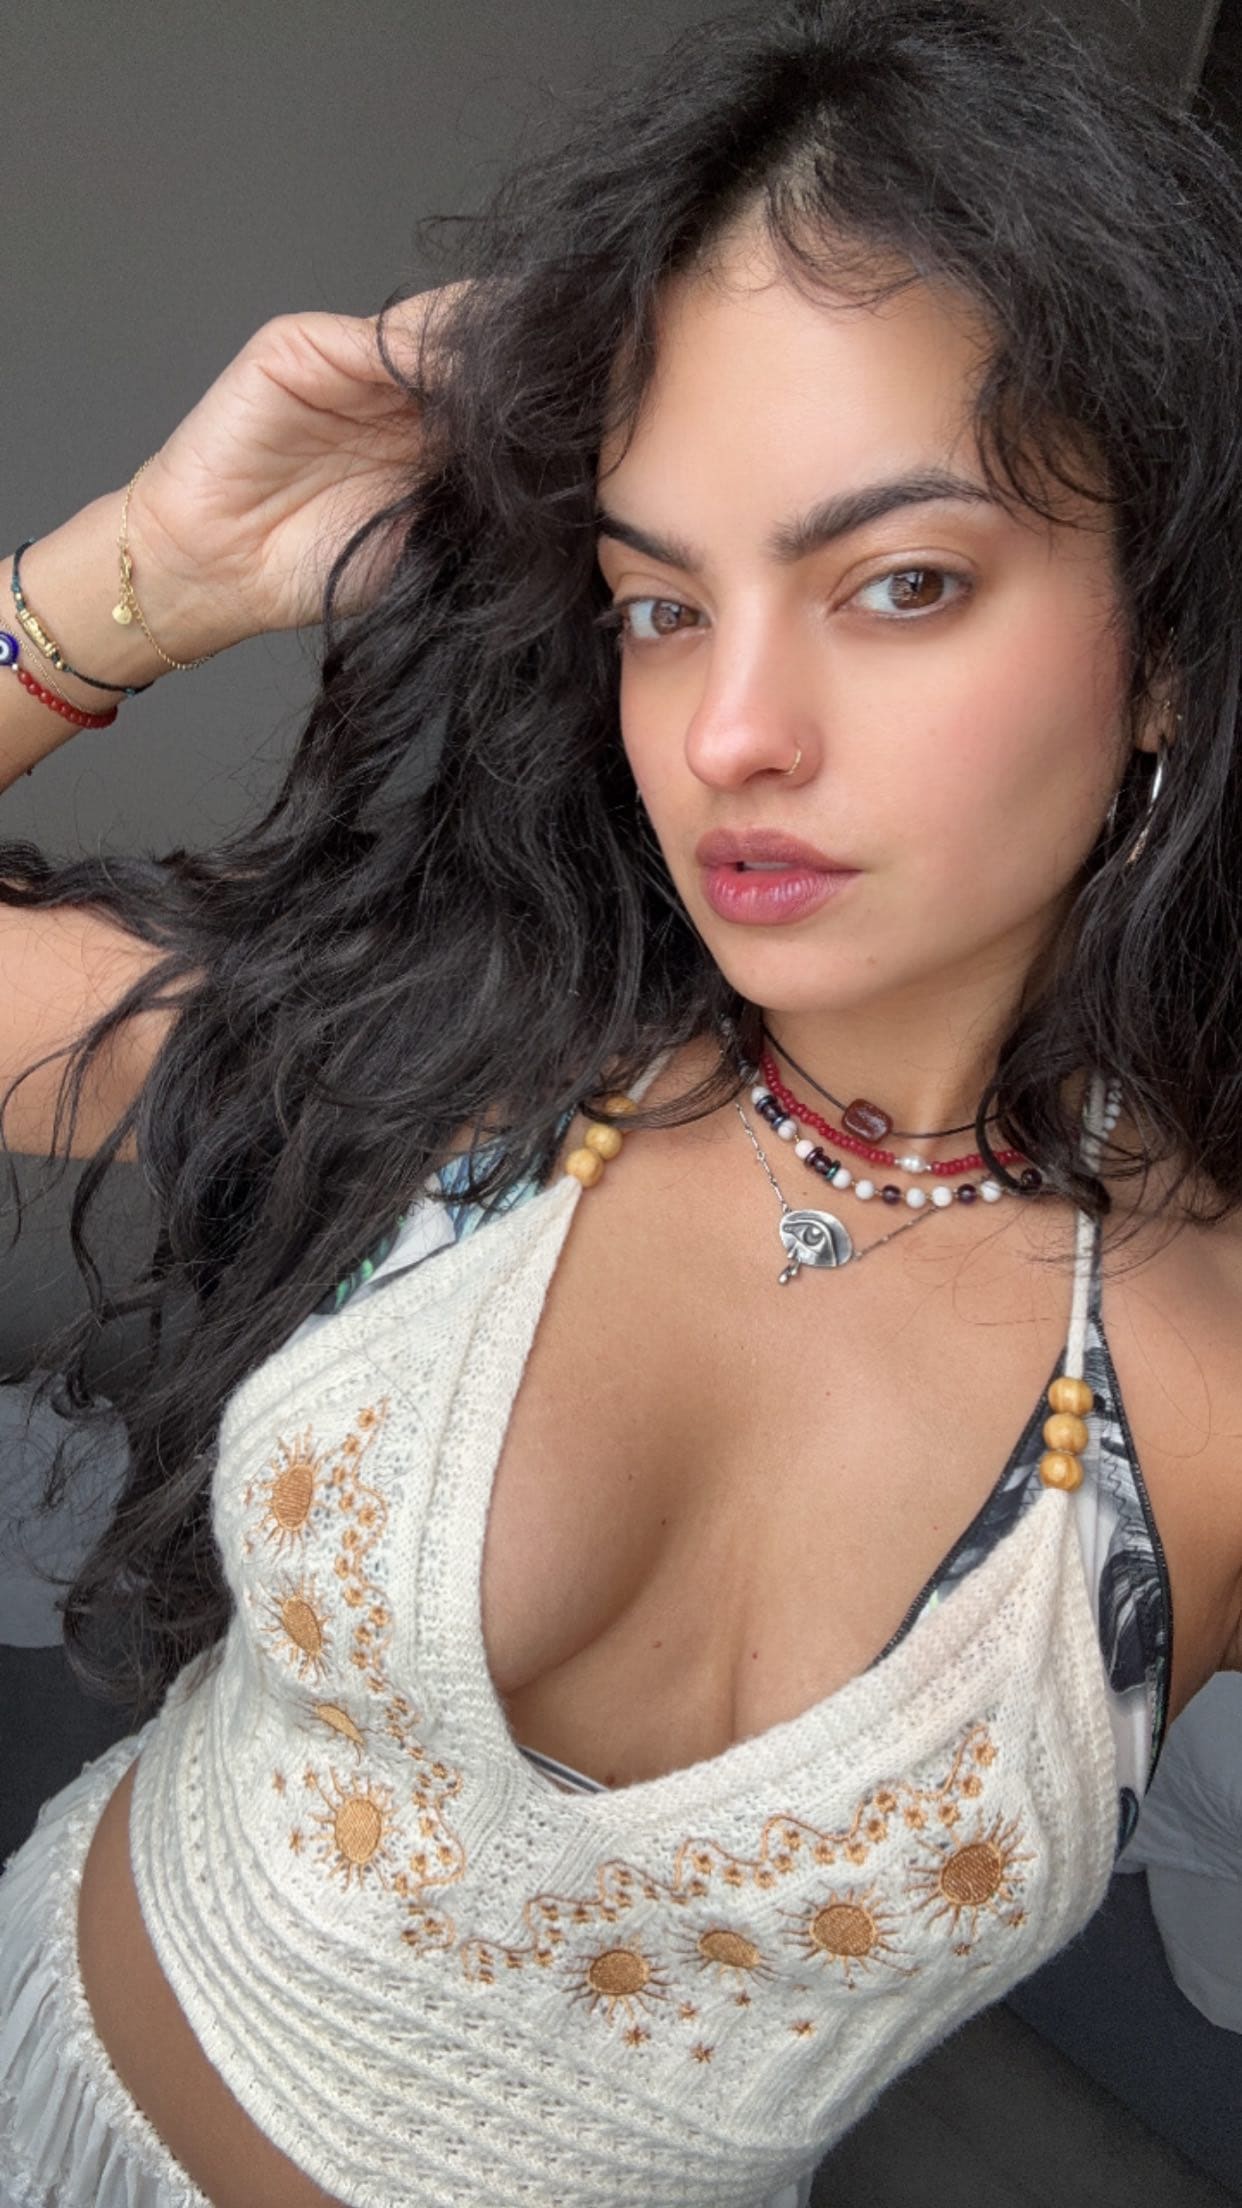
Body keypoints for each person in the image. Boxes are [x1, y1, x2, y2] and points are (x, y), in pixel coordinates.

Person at [1, 0, 1240, 2201]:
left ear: (1160, 648)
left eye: (901, 584)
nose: (729, 732)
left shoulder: (1207, 1384)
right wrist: (131, 585)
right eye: (659, 606)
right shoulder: (461, 1057)